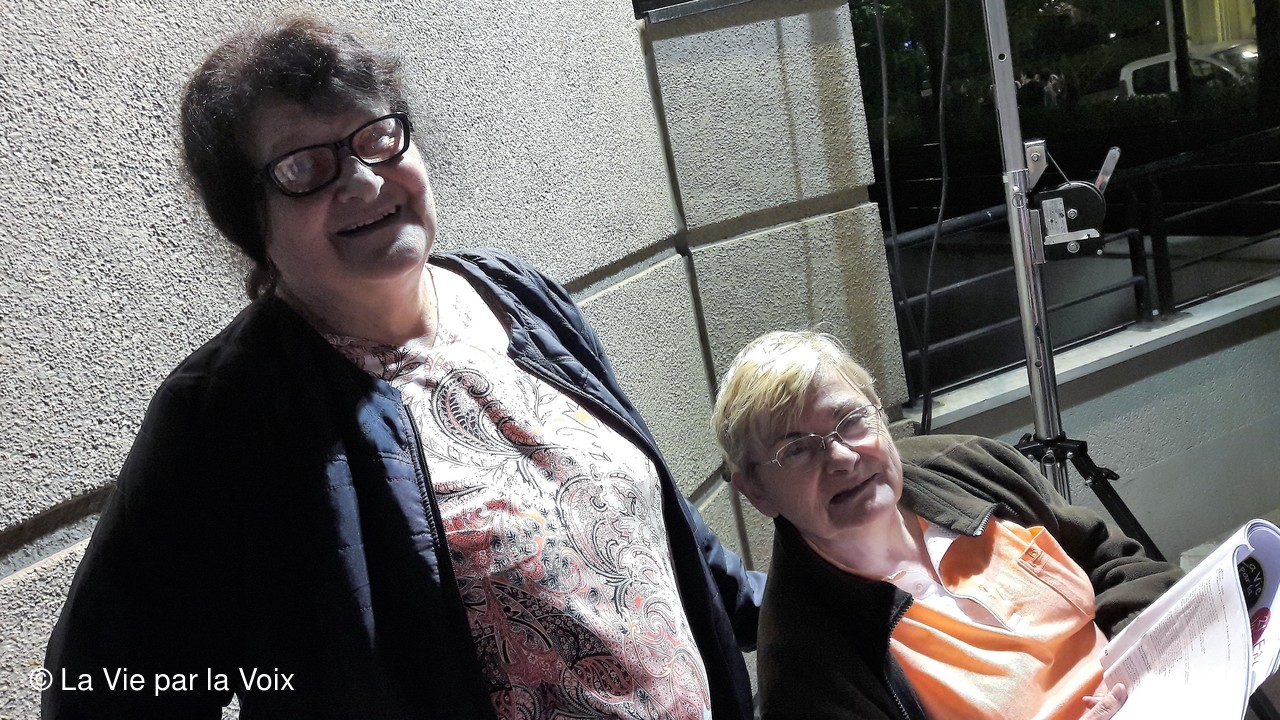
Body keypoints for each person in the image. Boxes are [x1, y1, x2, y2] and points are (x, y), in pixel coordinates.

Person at [43, 15, 763, 720]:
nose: (362, 181)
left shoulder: (518, 294)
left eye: (377, 137)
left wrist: (818, 601)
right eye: (304, 167)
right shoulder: (227, 413)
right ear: (248, 217)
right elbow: (104, 688)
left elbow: (651, 530)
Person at [710, 331, 1183, 720]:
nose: (842, 458)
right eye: (796, 449)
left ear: (879, 412)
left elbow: (1114, 561)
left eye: (851, 420)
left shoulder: (966, 465)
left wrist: (1143, 663)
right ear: (756, 491)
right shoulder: (803, 670)